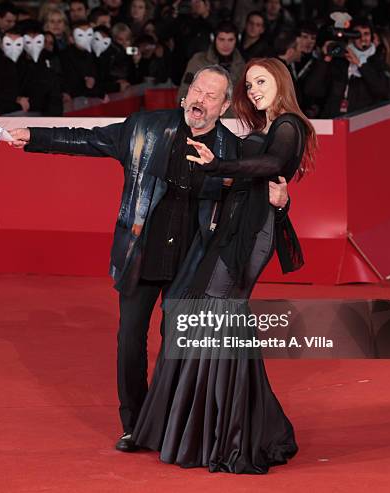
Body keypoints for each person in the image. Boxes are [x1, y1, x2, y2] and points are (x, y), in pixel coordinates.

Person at [0, 64, 290, 453]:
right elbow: (87, 139)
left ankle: (170, 425)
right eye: (196, 92)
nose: (199, 101)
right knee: (130, 342)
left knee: (178, 346)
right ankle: (134, 425)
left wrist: (283, 203)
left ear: (223, 108)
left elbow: (260, 198)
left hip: (193, 264)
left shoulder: (232, 151)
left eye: (210, 96)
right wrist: (32, 136)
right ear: (185, 95)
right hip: (141, 254)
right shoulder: (144, 128)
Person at [131, 57, 317, 474]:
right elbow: (258, 175)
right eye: (249, 84)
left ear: (281, 81)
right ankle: (222, 427)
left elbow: (272, 167)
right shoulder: (265, 127)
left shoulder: (289, 124)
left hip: (251, 233)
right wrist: (228, 179)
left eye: (262, 81)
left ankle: (228, 435)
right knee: (207, 317)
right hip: (234, 226)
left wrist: (219, 166)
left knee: (217, 315)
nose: (253, 90)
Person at [302, 17, 390, 117]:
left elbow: (385, 91)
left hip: (363, 121)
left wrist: (360, 64)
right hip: (335, 120)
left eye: (366, 34)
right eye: (357, 34)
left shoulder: (377, 61)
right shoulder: (339, 61)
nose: (362, 38)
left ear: (372, 37)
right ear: (351, 37)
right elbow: (311, 90)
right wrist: (326, 58)